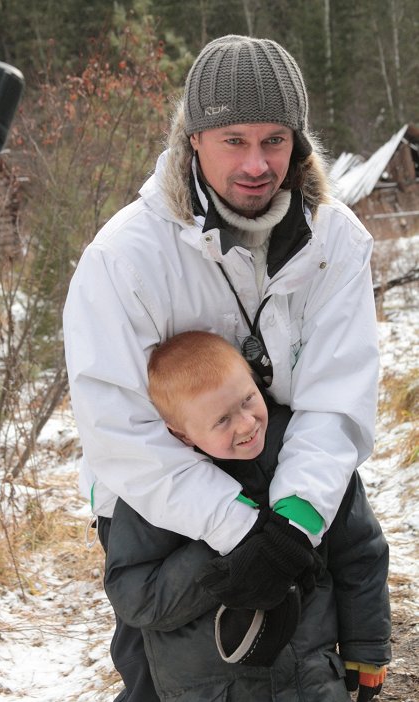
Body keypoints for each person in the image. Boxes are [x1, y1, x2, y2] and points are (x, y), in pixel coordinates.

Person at [63, 35, 380, 701]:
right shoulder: (124, 259)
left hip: (293, 485)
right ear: (194, 139)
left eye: (274, 140)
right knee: (167, 679)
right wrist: (235, 528)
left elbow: (336, 397)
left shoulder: (336, 242)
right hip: (160, 508)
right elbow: (116, 426)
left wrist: (292, 520)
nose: (258, 163)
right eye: (234, 139)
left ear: (297, 142)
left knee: (300, 665)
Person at [104, 330, 390, 701]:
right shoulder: (156, 489)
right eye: (221, 420)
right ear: (182, 435)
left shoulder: (307, 456)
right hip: (213, 690)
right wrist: (235, 554)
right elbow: (135, 595)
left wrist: (366, 646)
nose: (246, 424)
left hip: (309, 680)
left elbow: (360, 551)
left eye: (248, 400)